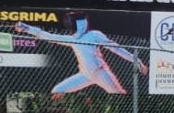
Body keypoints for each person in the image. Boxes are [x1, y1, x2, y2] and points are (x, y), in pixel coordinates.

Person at [15, 12, 147, 97]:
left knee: (119, 95)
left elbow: (117, 49)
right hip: (84, 75)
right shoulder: (72, 40)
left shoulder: (94, 35)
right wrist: (27, 28)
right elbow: (48, 36)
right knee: (57, 90)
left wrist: (137, 61)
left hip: (101, 73)